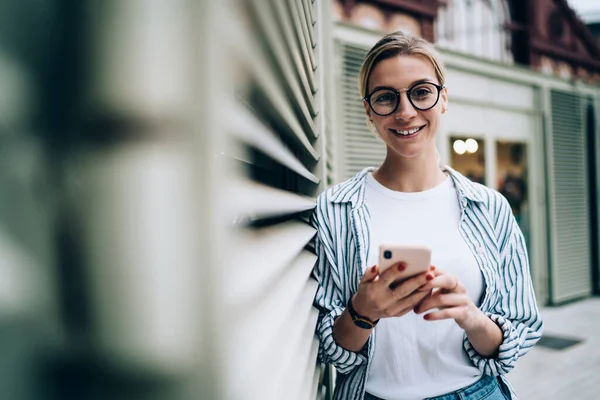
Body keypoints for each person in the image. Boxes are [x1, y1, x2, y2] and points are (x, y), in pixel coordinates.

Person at [311, 31, 543, 400]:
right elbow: (332, 353)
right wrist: (363, 311)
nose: (405, 111)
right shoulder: (335, 209)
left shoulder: (490, 207)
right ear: (369, 110)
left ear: (443, 99)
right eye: (386, 97)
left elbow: (518, 335)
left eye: (420, 92)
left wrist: (470, 316)